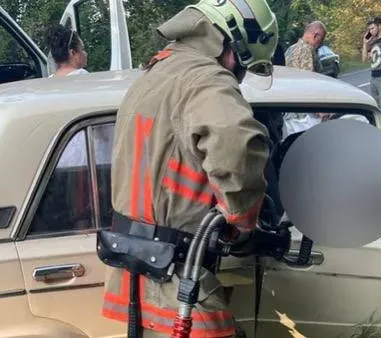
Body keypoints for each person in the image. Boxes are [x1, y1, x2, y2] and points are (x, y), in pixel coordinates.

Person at [100, 0, 278, 336]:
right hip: (177, 280)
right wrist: (241, 220)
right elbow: (237, 142)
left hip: (137, 277)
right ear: (232, 45)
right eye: (241, 66)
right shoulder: (204, 78)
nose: (235, 75)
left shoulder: (155, 74)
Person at [284, 21, 330, 134]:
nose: (319, 44)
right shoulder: (306, 50)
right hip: (306, 115)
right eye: (321, 40)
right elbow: (308, 83)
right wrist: (319, 110)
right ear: (316, 35)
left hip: (290, 112)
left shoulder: (290, 50)